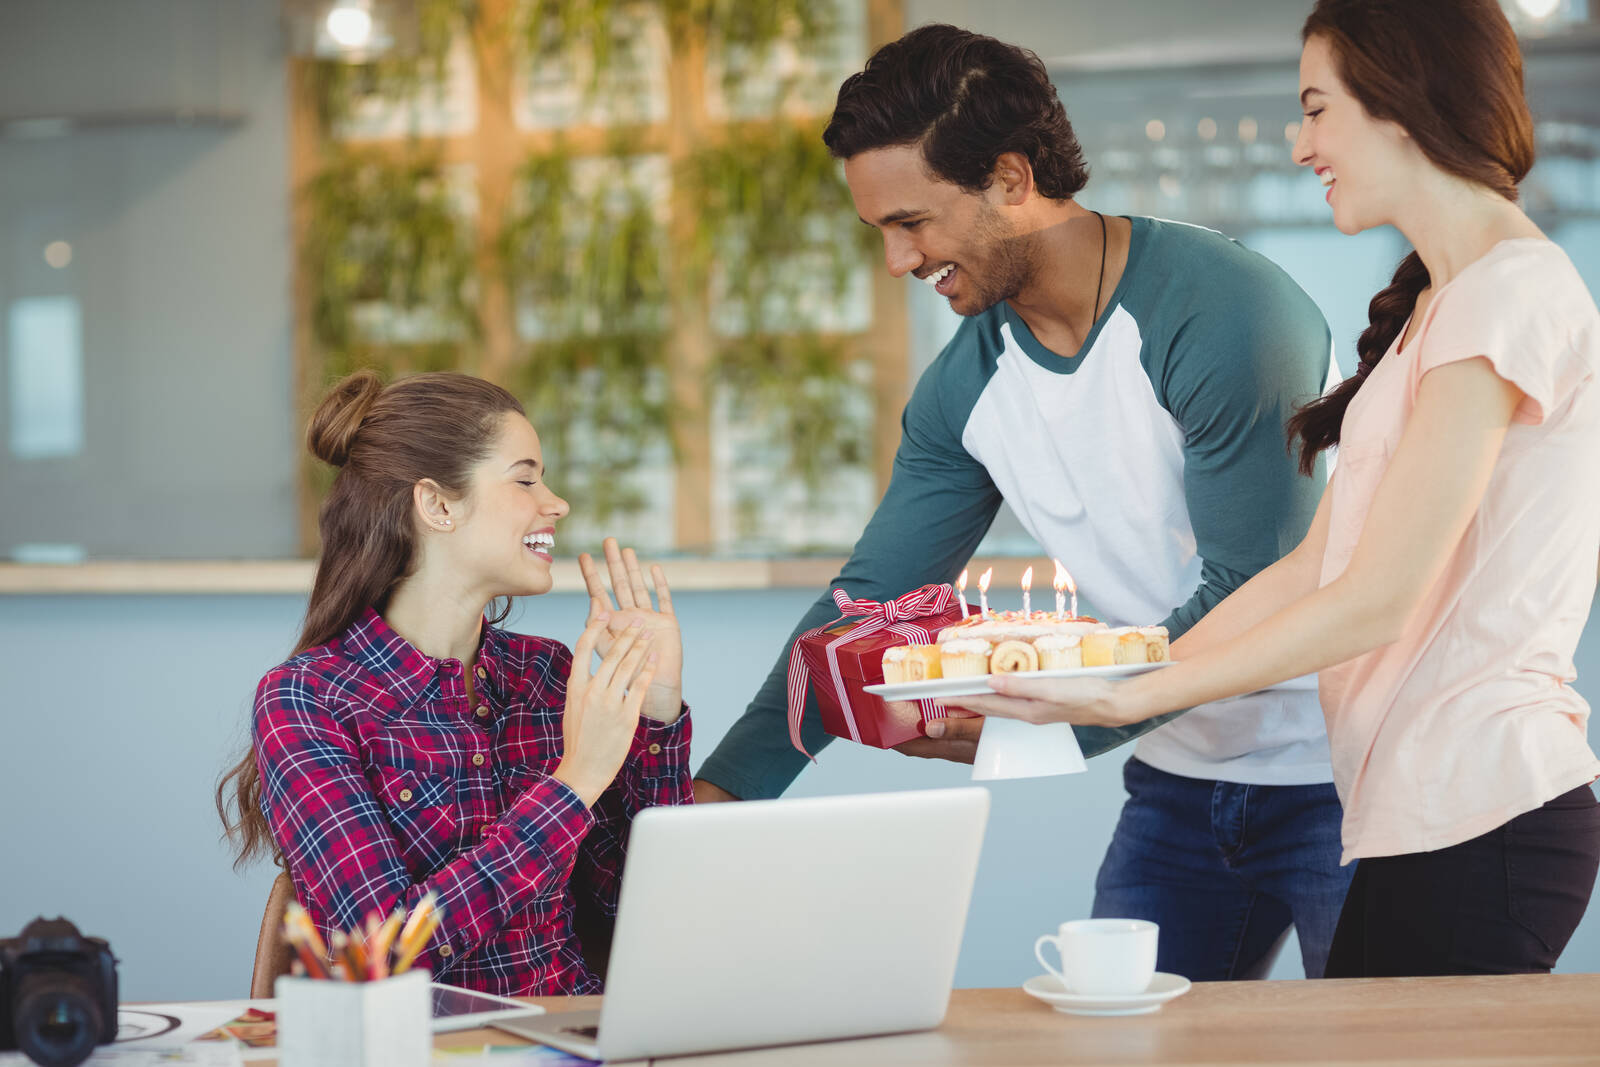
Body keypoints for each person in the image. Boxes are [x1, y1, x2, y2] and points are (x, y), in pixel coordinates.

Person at [955, 0, 1600, 978]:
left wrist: (1136, 697)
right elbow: (1311, 569)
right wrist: (1120, 676)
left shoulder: (1508, 296)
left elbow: (1376, 599)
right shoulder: (1447, 304)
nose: (1299, 145)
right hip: (1414, 813)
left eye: (1316, 109)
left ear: (1401, 100)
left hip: (1488, 810)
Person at [695, 24, 1354, 980]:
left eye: (911, 222)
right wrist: (719, 801)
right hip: (1181, 778)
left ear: (1009, 179)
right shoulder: (966, 389)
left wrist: (1059, 723)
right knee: (1119, 1047)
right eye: (881, 229)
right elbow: (862, 605)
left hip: (1348, 769)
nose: (896, 260)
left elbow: (1259, 583)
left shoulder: (1226, 316)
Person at [216, 370, 692, 995]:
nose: (555, 502)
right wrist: (572, 785)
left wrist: (657, 709)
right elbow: (378, 953)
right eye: (525, 478)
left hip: (577, 1035)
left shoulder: (546, 674)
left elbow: (648, 913)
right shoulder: (307, 700)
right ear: (438, 505)